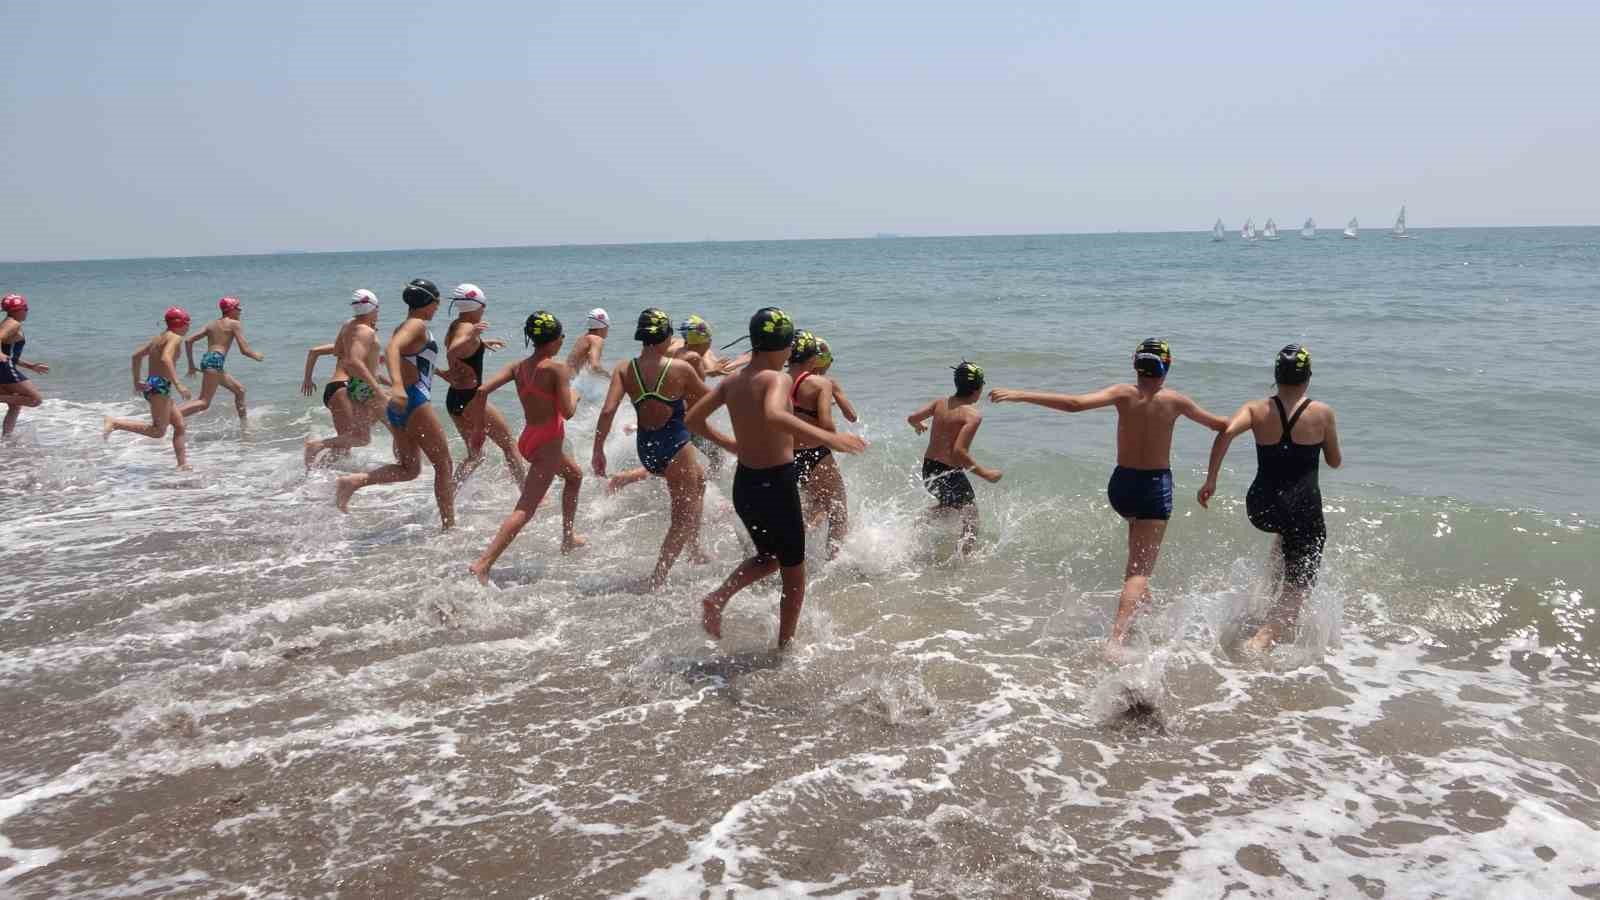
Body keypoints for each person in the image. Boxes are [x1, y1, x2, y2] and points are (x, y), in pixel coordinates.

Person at [989, 338, 1226, 650]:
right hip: (1153, 488)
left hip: (1122, 486)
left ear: (1135, 365)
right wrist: (1213, 476)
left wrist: (1020, 394)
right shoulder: (1176, 401)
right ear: (1167, 366)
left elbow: (1074, 404)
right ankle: (1116, 639)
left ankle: (1146, 617)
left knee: (1137, 559)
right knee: (1139, 570)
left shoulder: (1122, 393)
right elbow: (1222, 426)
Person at [688, 307, 867, 649]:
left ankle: (718, 597)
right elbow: (772, 414)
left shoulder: (731, 382)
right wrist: (832, 439)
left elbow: (694, 420)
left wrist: (730, 444)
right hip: (776, 483)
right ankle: (784, 647)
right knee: (794, 574)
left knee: (768, 557)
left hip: (746, 484)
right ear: (781, 347)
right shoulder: (778, 378)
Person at [1198, 344, 1343, 650]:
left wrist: (1211, 479)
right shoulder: (1322, 413)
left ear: (1276, 376)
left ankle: (1264, 594)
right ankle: (1261, 641)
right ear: (1308, 378)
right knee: (1299, 586)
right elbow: (1333, 460)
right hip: (1303, 509)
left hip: (1262, 506)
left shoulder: (1255, 410)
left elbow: (1225, 433)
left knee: (1284, 534)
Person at [593, 308, 730, 589]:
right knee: (679, 519)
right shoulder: (680, 369)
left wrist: (598, 450)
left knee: (700, 483)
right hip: (677, 445)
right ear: (667, 335)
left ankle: (693, 549)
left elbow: (607, 411)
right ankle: (658, 578)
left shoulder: (624, 368)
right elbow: (716, 399)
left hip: (647, 447)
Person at [468, 312, 587, 584]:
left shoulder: (517, 367)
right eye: (561, 337)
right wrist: (576, 395)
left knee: (574, 475)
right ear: (555, 340)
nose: (562, 342)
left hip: (529, 438)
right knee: (525, 509)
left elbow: (481, 391)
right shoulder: (555, 369)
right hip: (547, 443)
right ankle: (483, 563)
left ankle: (568, 537)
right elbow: (567, 412)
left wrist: (478, 431)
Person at [334, 279, 456, 529]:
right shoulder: (416, 325)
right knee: (443, 464)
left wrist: (442, 374)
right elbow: (392, 349)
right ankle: (449, 526)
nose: (437, 308)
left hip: (401, 406)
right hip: (414, 401)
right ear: (427, 302)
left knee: (409, 469)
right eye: (436, 303)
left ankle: (353, 481)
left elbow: (414, 360)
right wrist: (397, 386)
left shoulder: (408, 325)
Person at [907, 361, 1003, 553]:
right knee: (971, 517)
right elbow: (959, 452)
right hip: (948, 473)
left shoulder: (940, 403)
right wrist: (986, 474)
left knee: (949, 506)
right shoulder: (972, 416)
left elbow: (912, 418)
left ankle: (917, 524)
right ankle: (963, 561)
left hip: (929, 469)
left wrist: (919, 426)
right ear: (978, 389)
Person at [440, 284, 526, 486]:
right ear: (475, 306)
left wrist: (481, 343)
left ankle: (449, 493)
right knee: (509, 444)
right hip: (471, 399)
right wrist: (472, 337)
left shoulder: (456, 325)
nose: (484, 309)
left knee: (475, 455)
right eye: (483, 306)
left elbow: (460, 349)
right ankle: (528, 493)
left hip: (454, 398)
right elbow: (452, 351)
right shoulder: (468, 330)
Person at [302, 290, 388, 467]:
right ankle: (316, 449)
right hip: (343, 387)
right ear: (373, 308)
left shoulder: (349, 326)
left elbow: (336, 351)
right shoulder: (364, 332)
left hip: (337, 387)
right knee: (356, 439)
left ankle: (315, 474)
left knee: (346, 445)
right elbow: (353, 363)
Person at [103, 307, 194, 469]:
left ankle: (183, 465)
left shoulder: (158, 338)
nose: (189, 327)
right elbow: (166, 359)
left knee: (179, 425)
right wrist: (179, 385)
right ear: (181, 323)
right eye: (188, 323)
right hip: (159, 386)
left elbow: (136, 356)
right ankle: (115, 423)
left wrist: (137, 381)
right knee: (158, 432)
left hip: (154, 383)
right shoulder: (175, 338)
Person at [787, 330, 851, 557]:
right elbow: (826, 423)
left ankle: (789, 554)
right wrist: (841, 442)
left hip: (785, 456)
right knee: (838, 510)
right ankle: (834, 563)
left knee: (813, 507)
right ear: (812, 358)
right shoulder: (819, 384)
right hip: (814, 453)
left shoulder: (778, 380)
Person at [179, 296, 264, 425]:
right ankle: (170, 416)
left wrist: (191, 365)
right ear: (230, 310)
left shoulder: (212, 324)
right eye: (238, 308)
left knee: (240, 391)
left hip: (209, 360)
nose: (240, 311)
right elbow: (244, 350)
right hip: (215, 361)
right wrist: (257, 356)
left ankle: (244, 425)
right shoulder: (234, 324)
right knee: (204, 402)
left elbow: (188, 341)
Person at [0, 294, 49, 438]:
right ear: (18, 310)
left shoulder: (8, 322)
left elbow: (9, 354)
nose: (27, 311)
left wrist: (31, 366)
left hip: (4, 366)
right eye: (25, 308)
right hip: (4, 368)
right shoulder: (14, 323)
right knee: (35, 400)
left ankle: (6, 439)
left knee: (15, 404)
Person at [812, 337, 858, 424]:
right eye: (830, 359)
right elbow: (852, 416)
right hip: (818, 432)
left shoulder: (792, 378)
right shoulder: (828, 382)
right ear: (824, 361)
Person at [565, 308, 611, 376]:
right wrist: (609, 377)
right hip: (570, 382)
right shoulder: (597, 339)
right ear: (604, 326)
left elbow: (587, 368)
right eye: (608, 326)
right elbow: (595, 367)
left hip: (565, 377)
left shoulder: (582, 338)